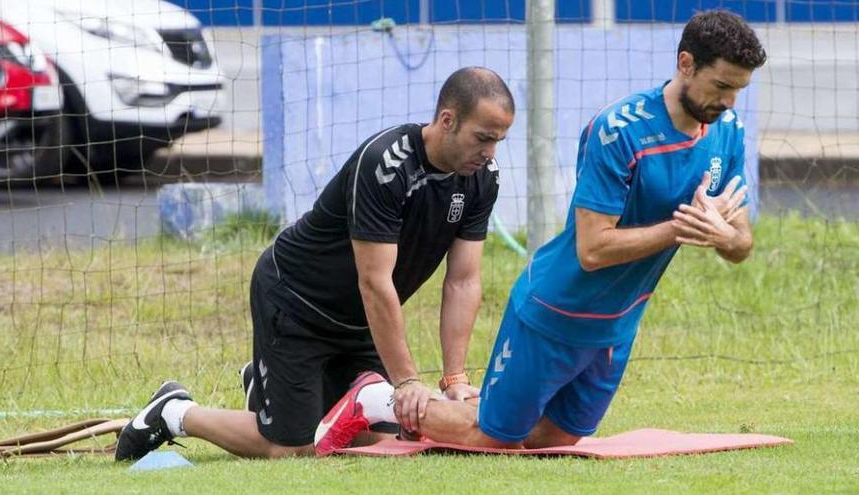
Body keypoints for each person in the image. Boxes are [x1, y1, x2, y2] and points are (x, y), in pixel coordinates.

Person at [313, 10, 767, 455]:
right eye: (722, 86)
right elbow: (593, 249)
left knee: (555, 439)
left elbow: (740, 240)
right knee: (497, 435)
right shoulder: (619, 131)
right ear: (686, 64)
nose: (729, 101)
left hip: (620, 322)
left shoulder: (727, 131)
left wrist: (724, 236)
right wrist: (681, 229)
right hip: (555, 311)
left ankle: (424, 415)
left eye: (739, 90)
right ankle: (376, 399)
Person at [113, 67, 515, 461]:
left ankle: (264, 387)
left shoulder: (484, 179)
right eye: (483, 138)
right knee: (294, 448)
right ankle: (174, 412)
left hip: (360, 324)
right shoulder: (387, 164)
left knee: (379, 441)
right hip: (295, 302)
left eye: (498, 141)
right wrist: (408, 380)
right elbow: (374, 281)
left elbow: (462, 281)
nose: (489, 153)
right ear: (447, 120)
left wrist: (456, 378)